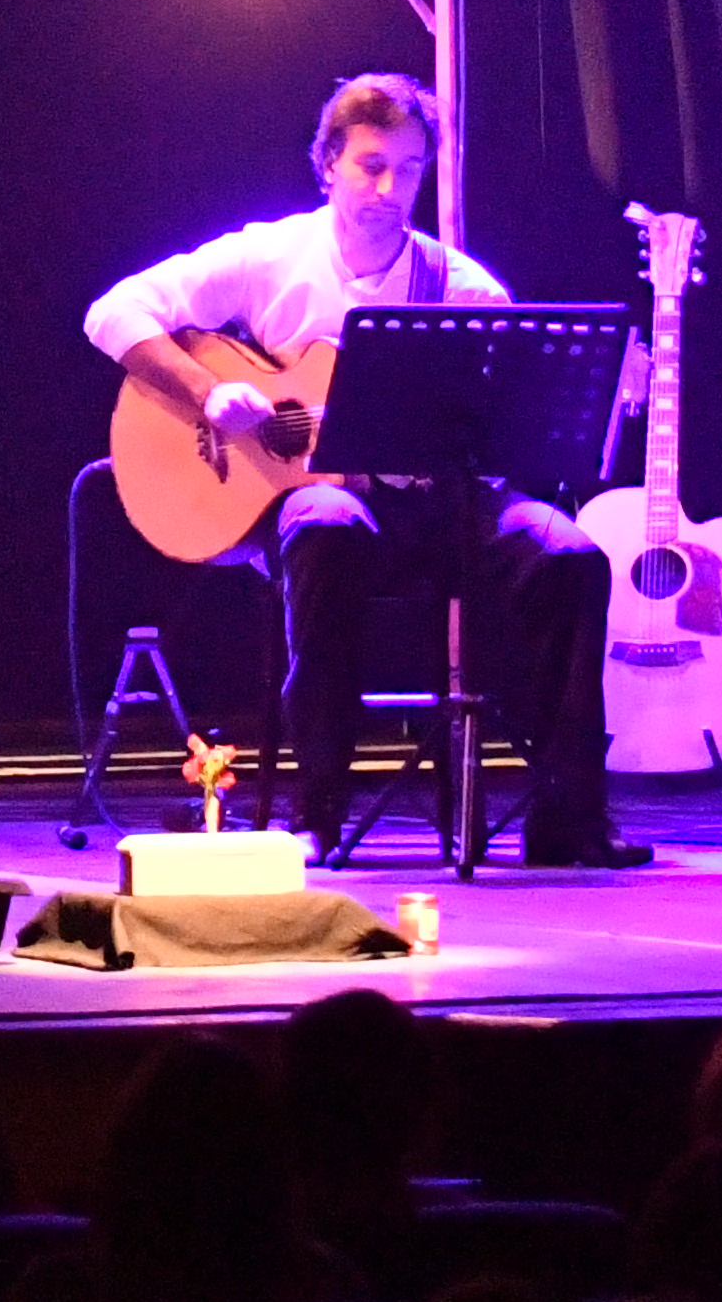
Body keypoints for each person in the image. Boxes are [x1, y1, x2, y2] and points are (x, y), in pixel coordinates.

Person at [80, 72, 641, 866]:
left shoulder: (463, 288)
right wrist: (211, 393)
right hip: (325, 510)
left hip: (445, 504)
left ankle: (569, 817)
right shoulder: (270, 254)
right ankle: (318, 810)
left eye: (409, 170)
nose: (389, 189)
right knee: (327, 522)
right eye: (371, 166)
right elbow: (111, 312)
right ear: (328, 164)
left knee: (570, 555)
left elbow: (509, 428)